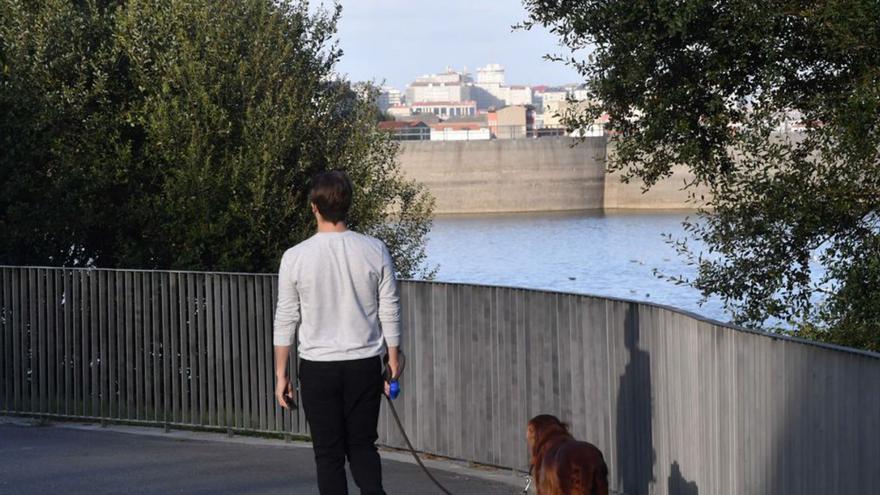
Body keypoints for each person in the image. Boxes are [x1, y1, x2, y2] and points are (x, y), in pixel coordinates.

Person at [273, 170, 401, 495]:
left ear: (314, 207)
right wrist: (394, 358)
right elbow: (390, 309)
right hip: (363, 364)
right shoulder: (375, 250)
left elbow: (286, 318)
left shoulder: (295, 257)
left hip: (317, 368)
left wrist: (281, 374)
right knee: (362, 446)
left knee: (328, 455)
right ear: (347, 205)